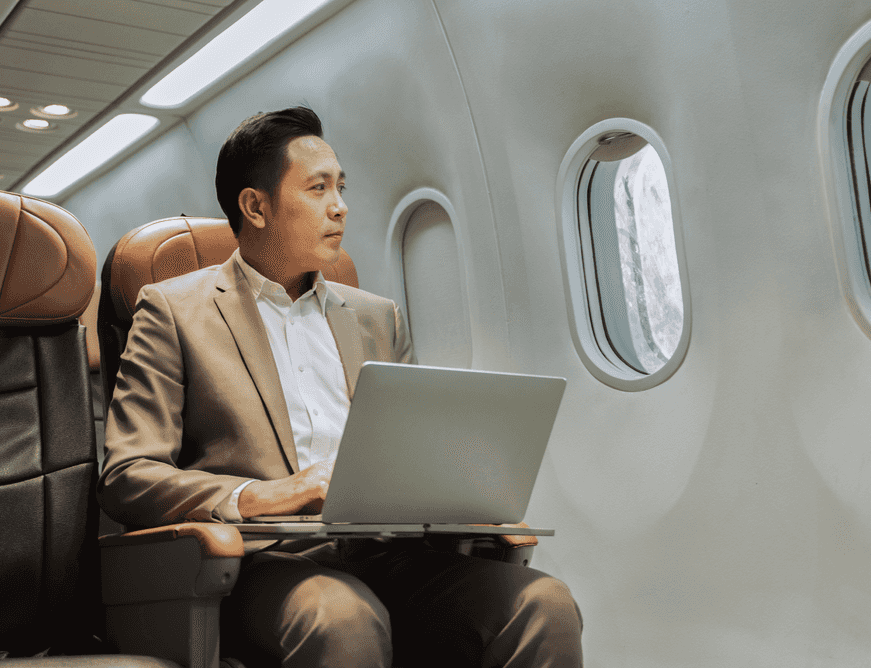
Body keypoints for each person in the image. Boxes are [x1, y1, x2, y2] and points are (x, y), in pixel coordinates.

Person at [98, 106, 583, 668]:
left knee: (544, 604)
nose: (340, 206)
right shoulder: (173, 311)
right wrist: (258, 496)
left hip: (388, 554)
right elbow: (127, 477)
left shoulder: (379, 317)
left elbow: (412, 454)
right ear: (255, 206)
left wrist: (457, 488)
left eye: (342, 187)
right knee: (343, 617)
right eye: (317, 187)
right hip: (261, 563)